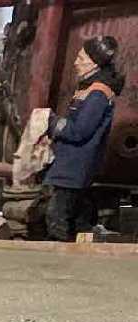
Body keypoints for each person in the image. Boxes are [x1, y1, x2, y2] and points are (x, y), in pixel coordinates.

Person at [42, 36, 125, 241]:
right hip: (74, 165)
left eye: (81, 58)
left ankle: (58, 254)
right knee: (78, 221)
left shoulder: (98, 94)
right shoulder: (88, 88)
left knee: (57, 220)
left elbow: (80, 131)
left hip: (75, 165)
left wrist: (51, 122)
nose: (75, 62)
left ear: (94, 63)